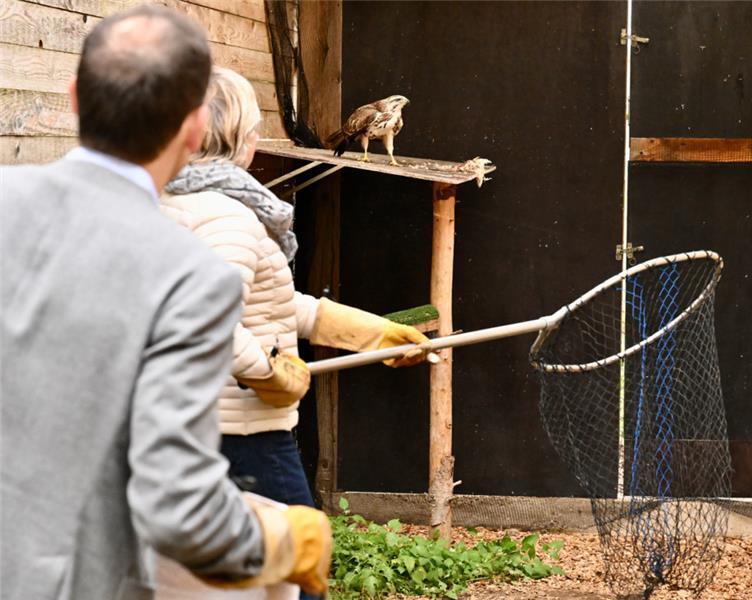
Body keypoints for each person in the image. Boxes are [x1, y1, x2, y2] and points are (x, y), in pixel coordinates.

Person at [0, 7, 331, 599]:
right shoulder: (192, 279)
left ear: (76, 97)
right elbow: (177, 508)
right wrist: (286, 538)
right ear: (194, 126)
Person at [160, 66, 431, 596]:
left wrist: (371, 333)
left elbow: (273, 303)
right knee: (298, 573)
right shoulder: (225, 218)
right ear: (240, 139)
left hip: (194, 427)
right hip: (241, 435)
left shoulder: (174, 204)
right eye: (254, 127)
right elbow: (205, 318)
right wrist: (266, 375)